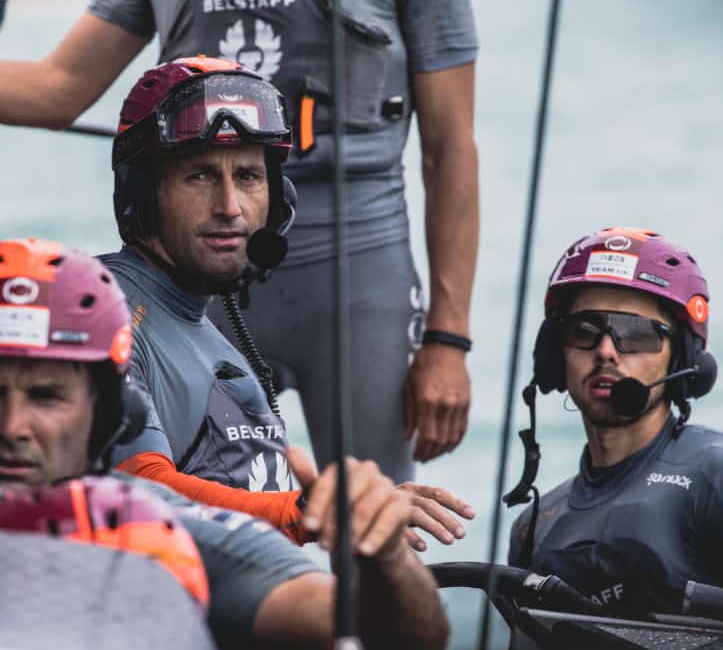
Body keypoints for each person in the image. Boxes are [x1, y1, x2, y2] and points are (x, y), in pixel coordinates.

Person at [0, 0, 479, 479]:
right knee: (188, 519)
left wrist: (448, 341)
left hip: (359, 284)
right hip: (196, 285)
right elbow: (55, 90)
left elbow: (450, 150)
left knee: (374, 532)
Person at [0, 237, 449, 650]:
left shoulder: (162, 533)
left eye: (46, 397)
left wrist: (386, 563)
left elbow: (399, 644)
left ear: (105, 413)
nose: (13, 425)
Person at [100, 55, 473, 551]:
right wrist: (306, 513)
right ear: (143, 196)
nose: (230, 207)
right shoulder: (107, 312)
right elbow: (134, 491)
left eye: (250, 177)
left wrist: (344, 508)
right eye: (200, 175)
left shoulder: (206, 333)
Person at [507, 227, 723, 607]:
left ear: (681, 359)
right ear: (553, 354)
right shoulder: (533, 526)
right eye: (586, 330)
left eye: (636, 333)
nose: (606, 350)